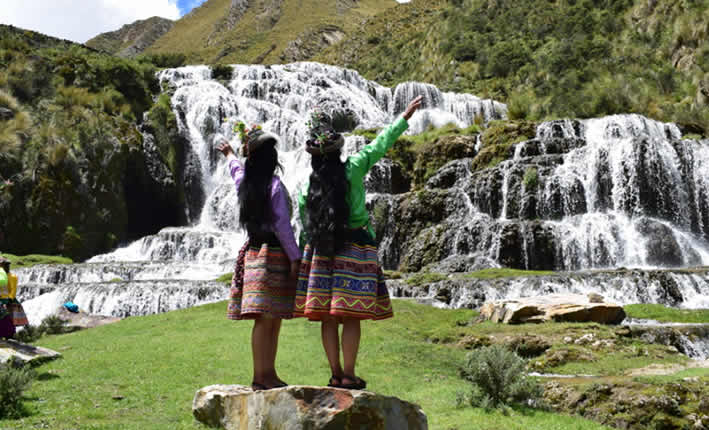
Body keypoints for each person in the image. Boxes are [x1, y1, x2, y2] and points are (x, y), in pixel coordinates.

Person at [295, 96, 424, 389]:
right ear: (338, 147)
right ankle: (349, 375)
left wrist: (303, 257)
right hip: (355, 248)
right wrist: (404, 117)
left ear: (313, 153)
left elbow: (304, 224)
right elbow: (380, 144)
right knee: (350, 315)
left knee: (328, 317)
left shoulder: (308, 185)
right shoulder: (353, 167)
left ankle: (335, 374)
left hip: (321, 252)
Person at [217, 124, 301, 391]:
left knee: (268, 318)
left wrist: (230, 153)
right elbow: (283, 226)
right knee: (270, 320)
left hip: (254, 253)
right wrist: (295, 257)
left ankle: (267, 373)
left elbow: (235, 170)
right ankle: (261, 376)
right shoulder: (274, 185)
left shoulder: (247, 183)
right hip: (274, 255)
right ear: (270, 158)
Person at [0, 256, 28, 339]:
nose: (6, 267)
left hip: (8, 300)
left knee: (9, 319)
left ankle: (9, 336)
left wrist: (8, 299)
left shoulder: (13, 277)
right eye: (4, 265)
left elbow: (13, 289)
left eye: (7, 265)